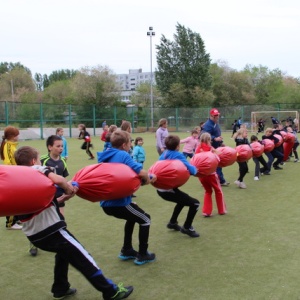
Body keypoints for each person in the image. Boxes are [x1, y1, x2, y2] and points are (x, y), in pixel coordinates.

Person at [15, 146, 133, 300]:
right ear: (33, 161)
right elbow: (58, 180)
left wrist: (61, 199)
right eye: (37, 159)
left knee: (63, 254)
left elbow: (38, 201)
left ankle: (60, 288)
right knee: (83, 257)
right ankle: (110, 291)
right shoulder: (35, 169)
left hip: (34, 236)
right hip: (52, 231)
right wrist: (68, 188)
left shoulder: (18, 181)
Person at [97, 130, 157, 265]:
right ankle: (142, 254)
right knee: (145, 219)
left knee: (133, 217)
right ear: (124, 145)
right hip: (117, 203)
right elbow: (140, 171)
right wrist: (150, 177)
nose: (131, 144)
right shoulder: (123, 154)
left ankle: (127, 250)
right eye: (130, 142)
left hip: (106, 202)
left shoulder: (106, 154)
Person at [156, 135, 200, 237]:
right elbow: (192, 170)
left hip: (160, 188)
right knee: (195, 204)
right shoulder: (178, 155)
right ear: (178, 146)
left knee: (182, 201)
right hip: (167, 190)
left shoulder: (164, 154)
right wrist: (196, 169)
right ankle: (187, 227)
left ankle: (172, 223)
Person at [195, 133, 226, 217]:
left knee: (208, 191)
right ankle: (221, 210)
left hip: (201, 175)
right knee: (218, 190)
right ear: (208, 140)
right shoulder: (210, 149)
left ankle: (206, 211)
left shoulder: (197, 148)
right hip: (211, 174)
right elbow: (218, 158)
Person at [0, 126, 22, 230]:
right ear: (12, 136)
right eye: (17, 134)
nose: (19, 136)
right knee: (12, 200)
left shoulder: (12, 146)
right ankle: (10, 223)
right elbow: (9, 163)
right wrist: (15, 173)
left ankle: (16, 218)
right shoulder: (8, 146)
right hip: (12, 176)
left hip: (15, 175)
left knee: (18, 199)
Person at [40, 135, 69, 216]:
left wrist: (66, 190)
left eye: (62, 146)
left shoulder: (63, 160)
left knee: (61, 219)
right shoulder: (42, 160)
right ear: (50, 147)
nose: (61, 148)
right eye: (58, 146)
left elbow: (64, 177)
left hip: (59, 195)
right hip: (47, 196)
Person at [202, 108, 230, 186]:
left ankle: (218, 180)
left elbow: (218, 135)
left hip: (216, 146)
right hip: (210, 147)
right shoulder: (208, 124)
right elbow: (204, 135)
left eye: (217, 115)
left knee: (217, 164)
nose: (217, 116)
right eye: (215, 115)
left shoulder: (216, 123)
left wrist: (221, 143)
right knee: (216, 164)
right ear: (211, 116)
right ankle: (220, 180)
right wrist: (214, 138)